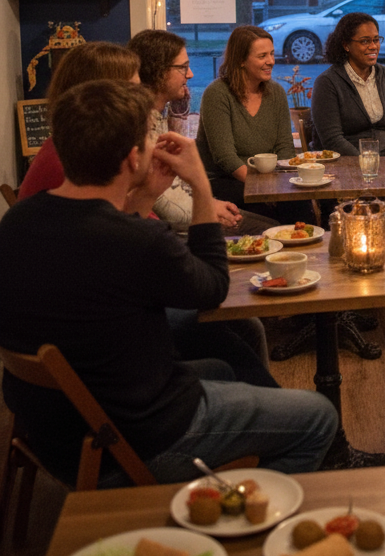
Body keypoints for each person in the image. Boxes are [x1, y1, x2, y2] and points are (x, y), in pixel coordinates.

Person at [0, 80, 337, 484]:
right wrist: (200, 187)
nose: (155, 140)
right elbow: (213, 289)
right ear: (131, 158)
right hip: (138, 440)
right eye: (149, 135)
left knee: (222, 364)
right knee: (319, 417)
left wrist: (142, 201)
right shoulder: (136, 241)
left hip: (55, 437)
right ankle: (229, 513)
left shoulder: (19, 219)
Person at [128, 29, 277, 235]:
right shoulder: (140, 124)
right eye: (183, 68)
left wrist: (211, 203)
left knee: (276, 224)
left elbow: (178, 185)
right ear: (158, 71)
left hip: (191, 212)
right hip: (175, 231)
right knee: (272, 231)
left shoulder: (159, 115)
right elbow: (167, 206)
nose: (190, 74)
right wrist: (208, 209)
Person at [309, 12, 385, 248]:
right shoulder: (328, 83)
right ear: (346, 45)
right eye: (365, 41)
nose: (373, 46)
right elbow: (332, 139)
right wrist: (375, 168)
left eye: (376, 39)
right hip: (349, 168)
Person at [196, 25, 305, 222]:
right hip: (227, 181)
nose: (270, 61)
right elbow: (225, 157)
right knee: (265, 207)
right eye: (262, 56)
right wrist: (265, 189)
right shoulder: (218, 94)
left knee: (299, 201)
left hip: (268, 178)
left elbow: (285, 147)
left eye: (271, 54)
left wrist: (280, 185)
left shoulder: (276, 93)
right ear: (241, 60)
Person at [18, 42, 142, 200]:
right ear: (98, 96)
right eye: (133, 91)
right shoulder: (70, 166)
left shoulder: (80, 148)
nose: (142, 99)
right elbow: (118, 222)